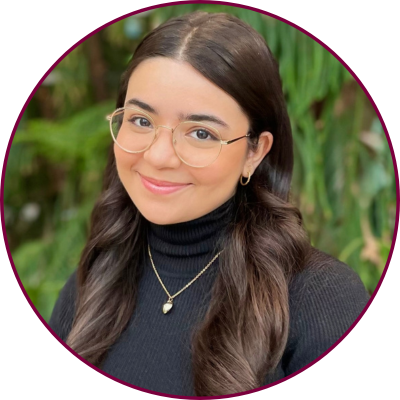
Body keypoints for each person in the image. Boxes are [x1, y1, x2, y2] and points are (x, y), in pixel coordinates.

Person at [48, 11, 370, 396]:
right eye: (141, 121)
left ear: (255, 151)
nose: (158, 157)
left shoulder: (321, 299)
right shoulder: (93, 284)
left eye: (201, 133)